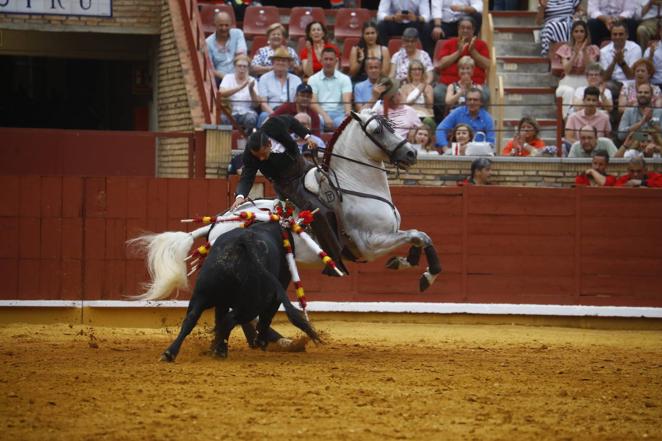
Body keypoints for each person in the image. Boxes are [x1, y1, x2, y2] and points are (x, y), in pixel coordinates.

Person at [229, 114, 348, 276]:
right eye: (259, 157)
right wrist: (240, 196)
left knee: (338, 188)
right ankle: (334, 259)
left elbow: (291, 122)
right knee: (318, 211)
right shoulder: (250, 155)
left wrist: (306, 136)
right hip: (288, 185)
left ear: (269, 144)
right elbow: (247, 176)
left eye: (264, 154)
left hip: (304, 167)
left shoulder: (274, 125)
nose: (262, 159)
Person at [433, 16, 490, 121]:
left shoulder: (481, 45)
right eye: (462, 27)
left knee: (485, 94)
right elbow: (440, 64)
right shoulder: (449, 43)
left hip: (475, 84)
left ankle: (480, 121)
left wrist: (473, 51)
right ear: (458, 29)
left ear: (473, 30)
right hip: (449, 84)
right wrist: (458, 52)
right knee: (437, 92)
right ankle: (445, 121)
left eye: (468, 28)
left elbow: (487, 65)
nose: (465, 30)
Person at [554, 20, 600, 117]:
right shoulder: (565, 48)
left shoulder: (593, 49)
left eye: (581, 31)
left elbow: (591, 69)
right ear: (572, 33)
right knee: (569, 92)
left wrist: (584, 51)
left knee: (585, 93)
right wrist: (574, 54)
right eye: (576, 31)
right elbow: (567, 70)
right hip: (568, 81)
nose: (579, 34)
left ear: (586, 33)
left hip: (585, 80)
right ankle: (567, 121)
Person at [309, 47, 353, 131]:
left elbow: (347, 101)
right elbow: (313, 102)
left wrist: (348, 115)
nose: (328, 62)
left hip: (339, 114)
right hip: (320, 113)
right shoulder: (313, 79)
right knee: (316, 120)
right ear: (321, 60)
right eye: (326, 59)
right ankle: (319, 144)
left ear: (336, 61)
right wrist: (325, 116)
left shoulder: (345, 79)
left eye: (331, 59)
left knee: (347, 123)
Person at [599, 21, 642, 106]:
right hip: (612, 83)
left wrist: (622, 62)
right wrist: (614, 62)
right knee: (602, 88)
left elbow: (632, 76)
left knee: (631, 92)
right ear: (611, 36)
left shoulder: (635, 48)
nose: (617, 37)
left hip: (631, 83)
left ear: (627, 35)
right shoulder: (603, 51)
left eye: (621, 34)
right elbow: (605, 78)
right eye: (615, 34)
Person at [257, 48, 302, 127]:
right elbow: (263, 103)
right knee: (263, 116)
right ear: (273, 62)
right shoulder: (264, 78)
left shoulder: (296, 80)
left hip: (290, 113)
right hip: (271, 112)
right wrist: (275, 115)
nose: (280, 63)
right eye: (278, 60)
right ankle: (261, 139)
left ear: (288, 64)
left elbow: (298, 103)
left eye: (284, 61)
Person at [218, 55, 262, 134]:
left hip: (247, 112)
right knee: (222, 118)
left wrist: (251, 90)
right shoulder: (228, 77)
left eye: (245, 66)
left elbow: (256, 104)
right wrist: (241, 87)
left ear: (248, 68)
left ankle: (247, 140)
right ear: (235, 67)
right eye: (239, 66)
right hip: (230, 111)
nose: (242, 69)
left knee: (251, 119)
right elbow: (221, 93)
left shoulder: (252, 80)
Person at [205, 11, 247, 86]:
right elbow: (211, 68)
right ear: (215, 25)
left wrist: (236, 77)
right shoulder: (208, 42)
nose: (224, 28)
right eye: (221, 25)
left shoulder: (238, 34)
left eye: (226, 25)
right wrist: (228, 79)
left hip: (240, 72)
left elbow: (242, 56)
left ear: (230, 25)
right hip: (220, 77)